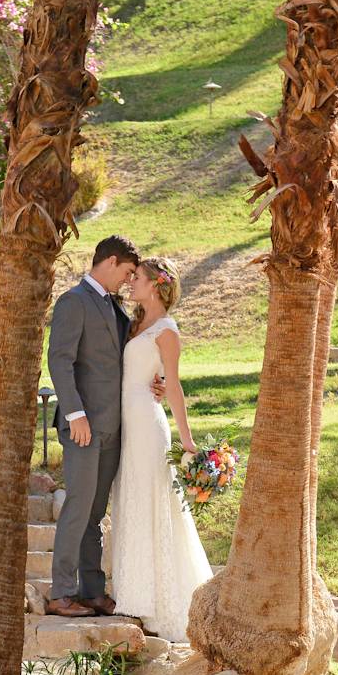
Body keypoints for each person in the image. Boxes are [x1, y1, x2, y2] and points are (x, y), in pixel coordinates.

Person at [106, 256, 213, 641]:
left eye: (138, 278)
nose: (131, 283)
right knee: (130, 499)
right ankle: (133, 595)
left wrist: (187, 442)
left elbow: (174, 387)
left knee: (152, 503)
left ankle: (161, 604)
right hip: (125, 422)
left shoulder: (167, 330)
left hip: (149, 427)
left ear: (156, 285)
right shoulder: (134, 323)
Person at [46, 235, 151, 620]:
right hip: (83, 426)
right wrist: (76, 415)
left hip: (114, 426)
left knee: (95, 512)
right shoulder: (74, 302)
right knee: (78, 507)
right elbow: (60, 360)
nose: (127, 280)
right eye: (125, 272)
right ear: (109, 262)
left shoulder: (114, 306)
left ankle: (91, 591)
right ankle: (60, 592)